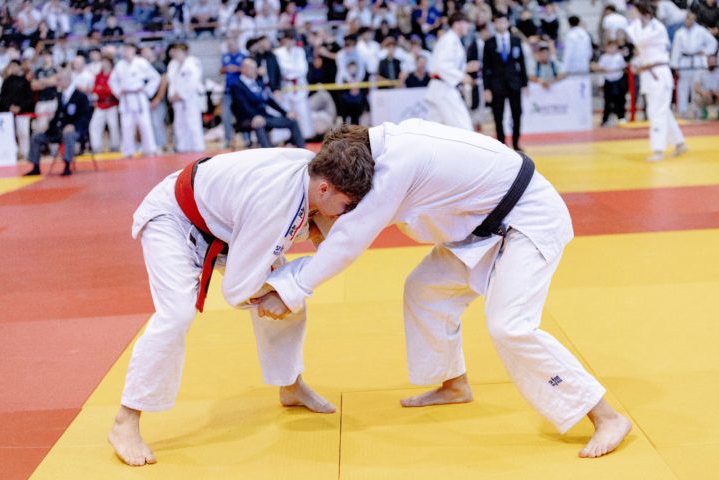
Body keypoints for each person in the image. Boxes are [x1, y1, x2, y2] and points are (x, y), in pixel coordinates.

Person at [261, 120, 634, 459]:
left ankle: (607, 416)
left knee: (510, 326)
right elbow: (344, 223)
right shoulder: (386, 148)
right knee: (425, 289)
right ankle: (454, 384)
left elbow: (349, 238)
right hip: (482, 224)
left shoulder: (398, 166)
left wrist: (291, 289)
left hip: (529, 218)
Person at [107, 142, 375, 467]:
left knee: (290, 300)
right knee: (177, 314)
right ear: (324, 188)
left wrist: (288, 283)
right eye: (345, 205)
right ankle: (125, 420)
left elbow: (298, 224)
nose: (344, 213)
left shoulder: (312, 167)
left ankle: (290, 386)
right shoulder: (276, 207)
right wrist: (277, 293)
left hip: (224, 225)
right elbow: (236, 291)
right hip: (175, 219)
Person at [626, 0, 687, 161]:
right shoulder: (640, 26)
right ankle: (680, 143)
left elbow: (640, 40)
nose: (631, 13)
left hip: (659, 73)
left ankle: (658, 150)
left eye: (634, 11)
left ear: (644, 13)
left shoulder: (656, 27)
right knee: (662, 111)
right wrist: (636, 64)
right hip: (648, 74)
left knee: (656, 112)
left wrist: (635, 22)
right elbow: (641, 50)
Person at [25, 69, 91, 176]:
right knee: (36, 136)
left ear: (68, 80)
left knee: (68, 134)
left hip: (76, 131)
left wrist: (74, 126)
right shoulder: (60, 95)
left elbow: (86, 116)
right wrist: (48, 127)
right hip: (57, 131)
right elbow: (57, 116)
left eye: (60, 80)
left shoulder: (80, 96)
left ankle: (67, 166)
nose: (58, 82)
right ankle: (35, 167)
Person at [229, 57, 305, 148]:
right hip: (246, 118)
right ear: (243, 69)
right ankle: (268, 151)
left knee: (292, 120)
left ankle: (302, 149)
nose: (254, 71)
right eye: (251, 68)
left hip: (265, 116)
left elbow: (269, 100)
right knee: (259, 123)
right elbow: (243, 105)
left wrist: (286, 113)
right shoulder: (236, 85)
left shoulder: (259, 82)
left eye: (255, 68)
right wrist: (254, 116)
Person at [483, 13, 528, 151]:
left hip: (514, 83)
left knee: (517, 114)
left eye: (503, 22)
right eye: (498, 22)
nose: (501, 24)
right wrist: (486, 88)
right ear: (494, 24)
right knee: (498, 115)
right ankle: (501, 144)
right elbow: (486, 67)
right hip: (496, 84)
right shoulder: (489, 43)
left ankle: (516, 143)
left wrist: (525, 83)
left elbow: (522, 63)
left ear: (508, 23)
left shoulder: (516, 41)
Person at [424, 12, 475, 130]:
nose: (468, 27)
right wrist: (462, 77)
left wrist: (466, 68)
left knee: (433, 130)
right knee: (464, 127)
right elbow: (442, 66)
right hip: (444, 89)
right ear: (457, 24)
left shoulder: (453, 40)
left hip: (441, 88)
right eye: (466, 23)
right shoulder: (449, 40)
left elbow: (447, 65)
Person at [109, 42, 161, 158]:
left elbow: (155, 77)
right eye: (125, 49)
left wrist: (147, 91)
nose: (126, 52)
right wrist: (118, 92)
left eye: (128, 49)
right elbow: (112, 81)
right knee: (126, 126)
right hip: (126, 98)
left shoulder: (141, 63)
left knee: (145, 125)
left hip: (139, 97)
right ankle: (128, 150)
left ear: (134, 50)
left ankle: (149, 149)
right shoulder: (120, 65)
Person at [670, 12, 718, 118]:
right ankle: (682, 111)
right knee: (683, 87)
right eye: (687, 19)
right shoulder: (679, 33)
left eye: (690, 19)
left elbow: (713, 42)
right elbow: (676, 49)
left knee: (695, 87)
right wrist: (675, 65)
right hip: (684, 62)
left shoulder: (701, 31)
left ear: (694, 20)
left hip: (697, 61)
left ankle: (696, 111)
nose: (688, 21)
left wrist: (705, 52)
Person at [274, 29, 314, 140]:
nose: (289, 41)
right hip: (284, 86)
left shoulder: (300, 51)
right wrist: (292, 71)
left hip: (299, 85)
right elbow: (281, 69)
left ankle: (305, 136)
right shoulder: (277, 52)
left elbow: (302, 69)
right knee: (285, 112)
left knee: (302, 111)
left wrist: (290, 71)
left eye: (291, 39)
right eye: (287, 39)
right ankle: (284, 138)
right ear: (283, 40)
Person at [167, 42, 205, 153]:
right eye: (176, 52)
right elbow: (171, 82)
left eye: (179, 52)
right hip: (176, 99)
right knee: (179, 123)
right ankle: (183, 146)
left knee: (193, 122)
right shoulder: (172, 64)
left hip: (190, 97)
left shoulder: (193, 63)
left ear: (185, 52)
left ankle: (198, 146)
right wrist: (172, 95)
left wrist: (182, 94)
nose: (177, 54)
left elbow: (194, 81)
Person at [0, 59, 34, 160]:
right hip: (8, 113)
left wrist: (20, 107)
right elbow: (3, 97)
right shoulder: (6, 81)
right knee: (10, 134)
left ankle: (26, 153)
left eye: (15, 66)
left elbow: (29, 98)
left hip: (22, 112)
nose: (13, 68)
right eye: (11, 66)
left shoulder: (24, 81)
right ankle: (14, 153)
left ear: (19, 67)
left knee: (23, 133)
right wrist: (9, 107)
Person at [88, 55, 121, 152]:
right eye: (102, 62)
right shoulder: (99, 76)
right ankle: (96, 146)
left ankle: (115, 146)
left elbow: (113, 90)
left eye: (106, 62)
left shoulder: (114, 74)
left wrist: (103, 89)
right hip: (100, 104)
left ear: (110, 63)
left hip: (112, 104)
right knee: (94, 125)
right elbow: (95, 89)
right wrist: (103, 90)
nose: (104, 64)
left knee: (113, 126)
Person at [219, 36, 245, 148]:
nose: (230, 47)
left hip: (241, 91)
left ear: (237, 45)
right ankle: (228, 139)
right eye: (228, 45)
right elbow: (220, 71)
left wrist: (237, 69)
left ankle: (246, 139)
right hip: (228, 90)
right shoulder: (225, 57)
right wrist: (225, 69)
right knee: (225, 115)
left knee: (243, 114)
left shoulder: (243, 56)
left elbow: (248, 71)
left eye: (232, 45)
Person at [596, 40, 628, 126]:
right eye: (610, 47)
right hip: (608, 81)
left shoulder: (619, 57)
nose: (612, 49)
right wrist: (605, 70)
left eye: (614, 47)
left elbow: (624, 67)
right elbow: (599, 67)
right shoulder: (604, 57)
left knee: (620, 100)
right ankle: (605, 119)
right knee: (608, 101)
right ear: (607, 48)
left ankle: (621, 117)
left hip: (618, 80)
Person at [692, 53, 719, 118]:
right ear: (707, 61)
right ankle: (702, 113)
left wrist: (715, 93)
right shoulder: (701, 72)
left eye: (714, 62)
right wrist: (704, 93)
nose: (712, 63)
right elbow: (696, 87)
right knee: (697, 98)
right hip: (705, 95)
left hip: (716, 95)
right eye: (711, 61)